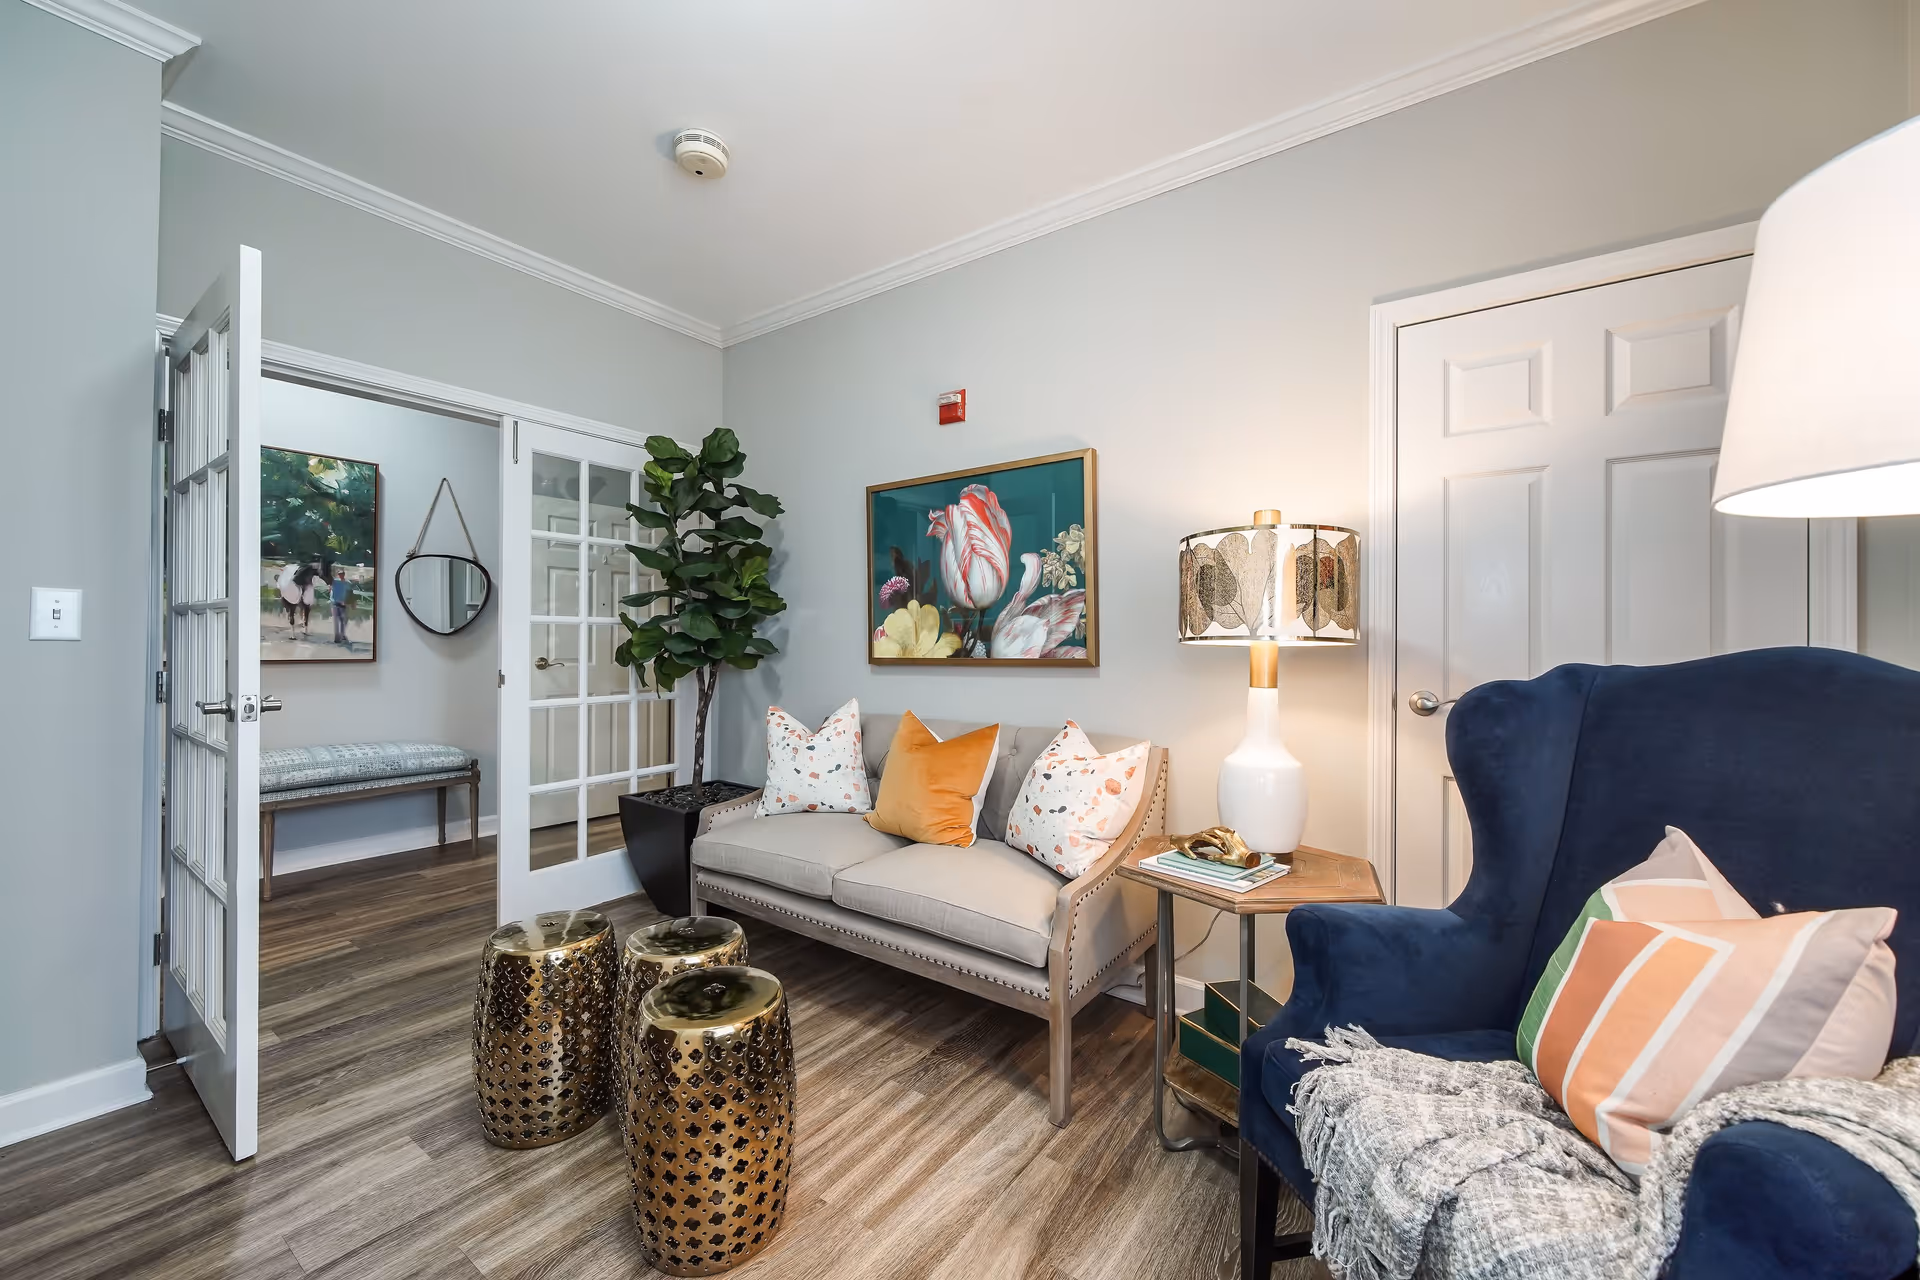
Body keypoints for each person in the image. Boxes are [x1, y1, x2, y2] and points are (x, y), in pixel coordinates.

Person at [330, 569, 351, 644]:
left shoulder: (347, 583)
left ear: (344, 574)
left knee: (343, 621)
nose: (341, 575)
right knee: (336, 621)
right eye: (340, 574)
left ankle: (342, 635)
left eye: (342, 574)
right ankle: (337, 637)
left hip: (343, 604)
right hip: (335, 604)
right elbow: (330, 588)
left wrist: (349, 602)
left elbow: (350, 593)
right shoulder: (335, 581)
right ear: (338, 575)